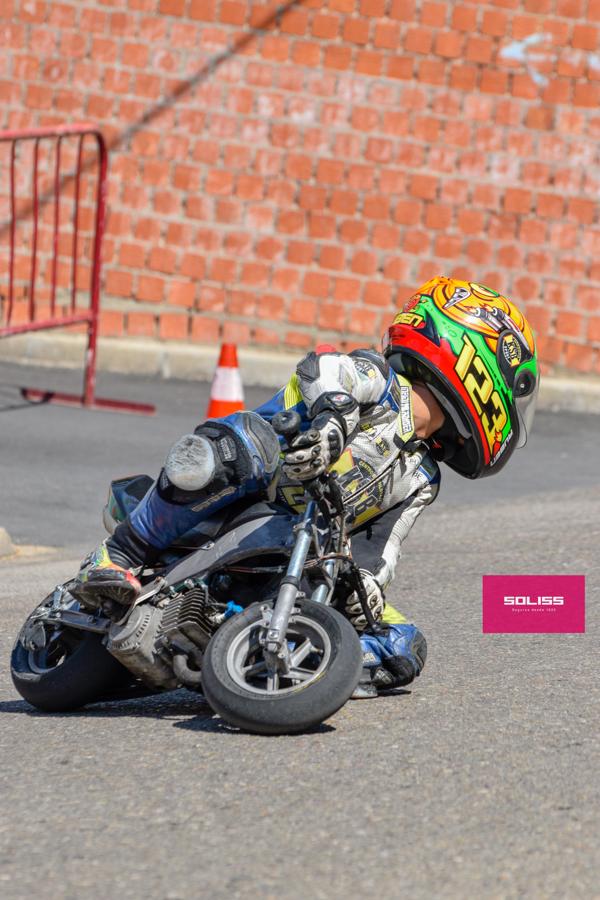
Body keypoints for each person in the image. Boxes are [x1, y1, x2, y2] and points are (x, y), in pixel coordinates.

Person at [72, 276, 539, 698]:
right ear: (475, 360)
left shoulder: (422, 475)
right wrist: (332, 421)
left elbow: (384, 545)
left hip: (302, 545)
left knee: (403, 644)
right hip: (255, 491)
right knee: (240, 446)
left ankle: (297, 663)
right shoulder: (378, 378)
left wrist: (369, 591)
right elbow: (324, 370)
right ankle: (122, 552)